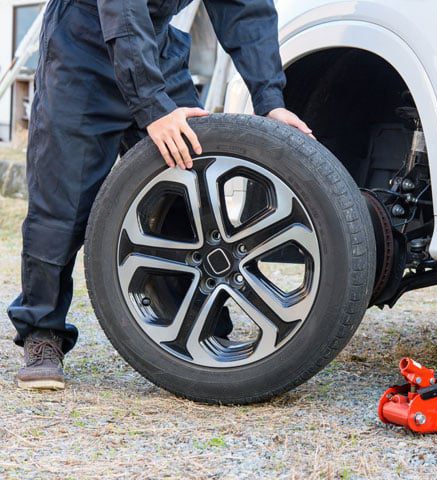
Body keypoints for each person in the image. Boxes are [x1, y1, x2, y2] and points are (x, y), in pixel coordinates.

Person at [6, 0, 312, 390]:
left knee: (190, 198)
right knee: (62, 205)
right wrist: (152, 106)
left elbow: (244, 7)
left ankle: (197, 319)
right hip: (82, 52)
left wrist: (270, 100)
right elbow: (123, 9)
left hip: (155, 49)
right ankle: (42, 332)